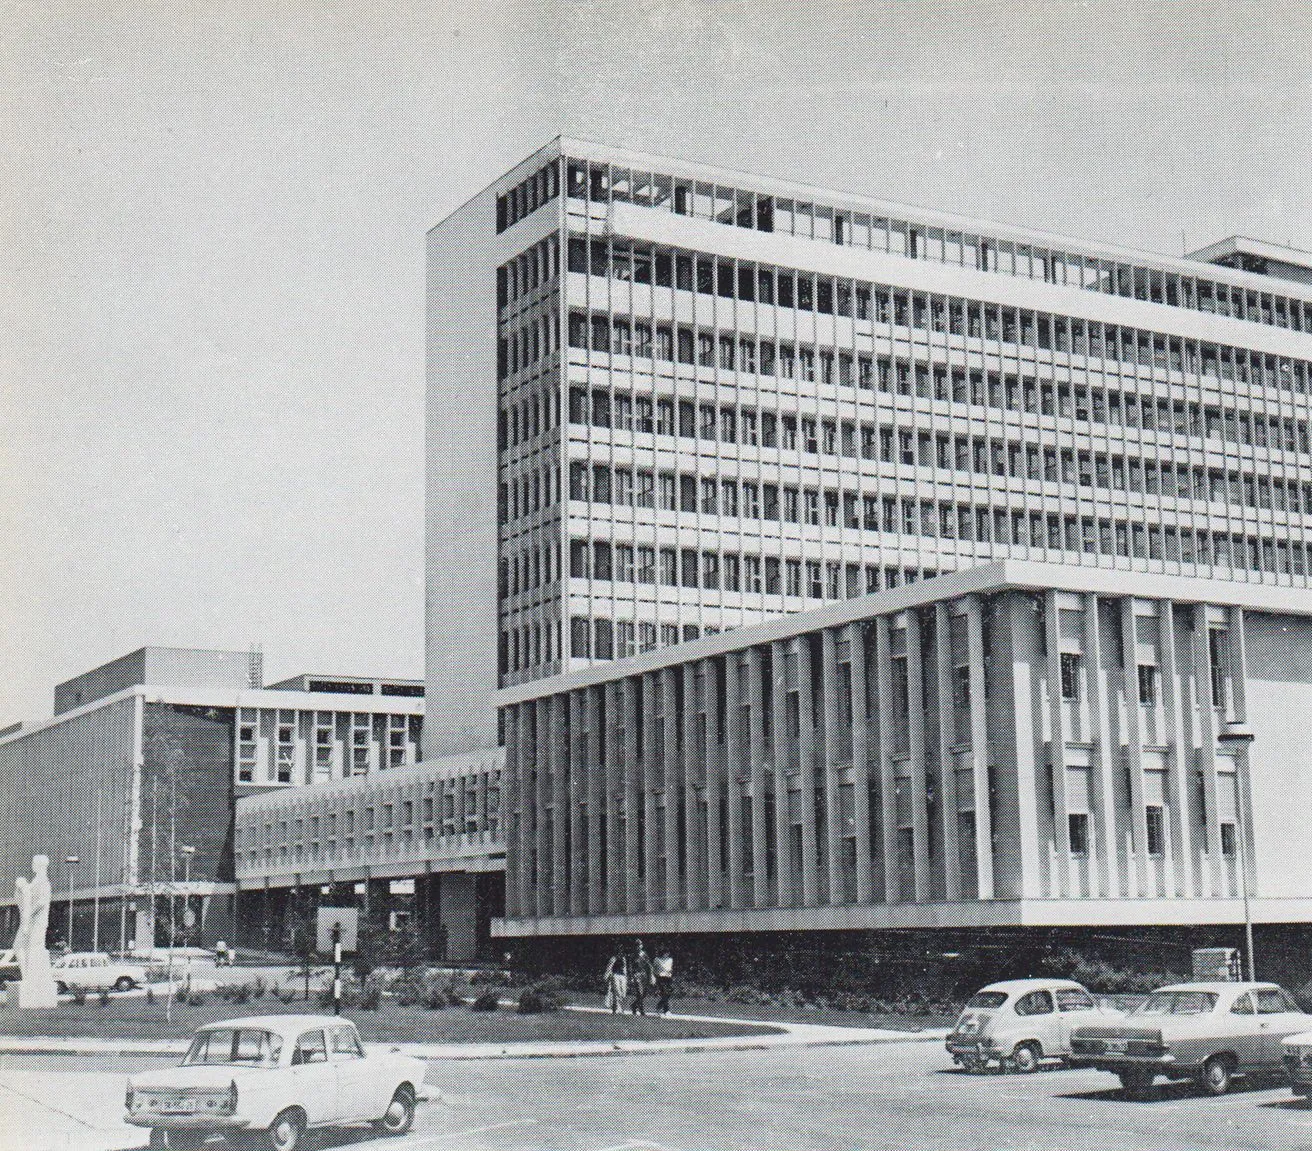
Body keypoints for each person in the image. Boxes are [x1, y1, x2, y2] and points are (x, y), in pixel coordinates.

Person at [630, 939, 654, 1016]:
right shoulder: (633, 956)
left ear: (642, 946)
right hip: (636, 975)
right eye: (637, 945)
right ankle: (642, 1011)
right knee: (639, 993)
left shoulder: (644, 955)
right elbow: (630, 967)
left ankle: (634, 1005)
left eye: (640, 945)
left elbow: (649, 965)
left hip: (644, 975)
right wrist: (631, 977)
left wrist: (652, 976)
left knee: (644, 994)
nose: (638, 947)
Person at [602, 948, 628, 1013]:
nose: (620, 953)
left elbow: (625, 968)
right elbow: (609, 967)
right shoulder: (613, 958)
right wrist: (606, 976)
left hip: (622, 976)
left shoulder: (623, 959)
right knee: (617, 992)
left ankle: (617, 1007)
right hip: (615, 975)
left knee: (623, 993)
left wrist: (626, 976)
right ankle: (617, 1008)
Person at [653, 945, 674, 1015]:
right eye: (665, 952)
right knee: (664, 993)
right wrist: (655, 977)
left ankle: (659, 1005)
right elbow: (654, 969)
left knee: (668, 994)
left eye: (668, 952)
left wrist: (670, 972)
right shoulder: (657, 959)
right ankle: (666, 1010)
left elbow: (670, 968)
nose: (667, 954)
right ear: (662, 952)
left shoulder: (670, 960)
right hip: (660, 978)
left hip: (668, 978)